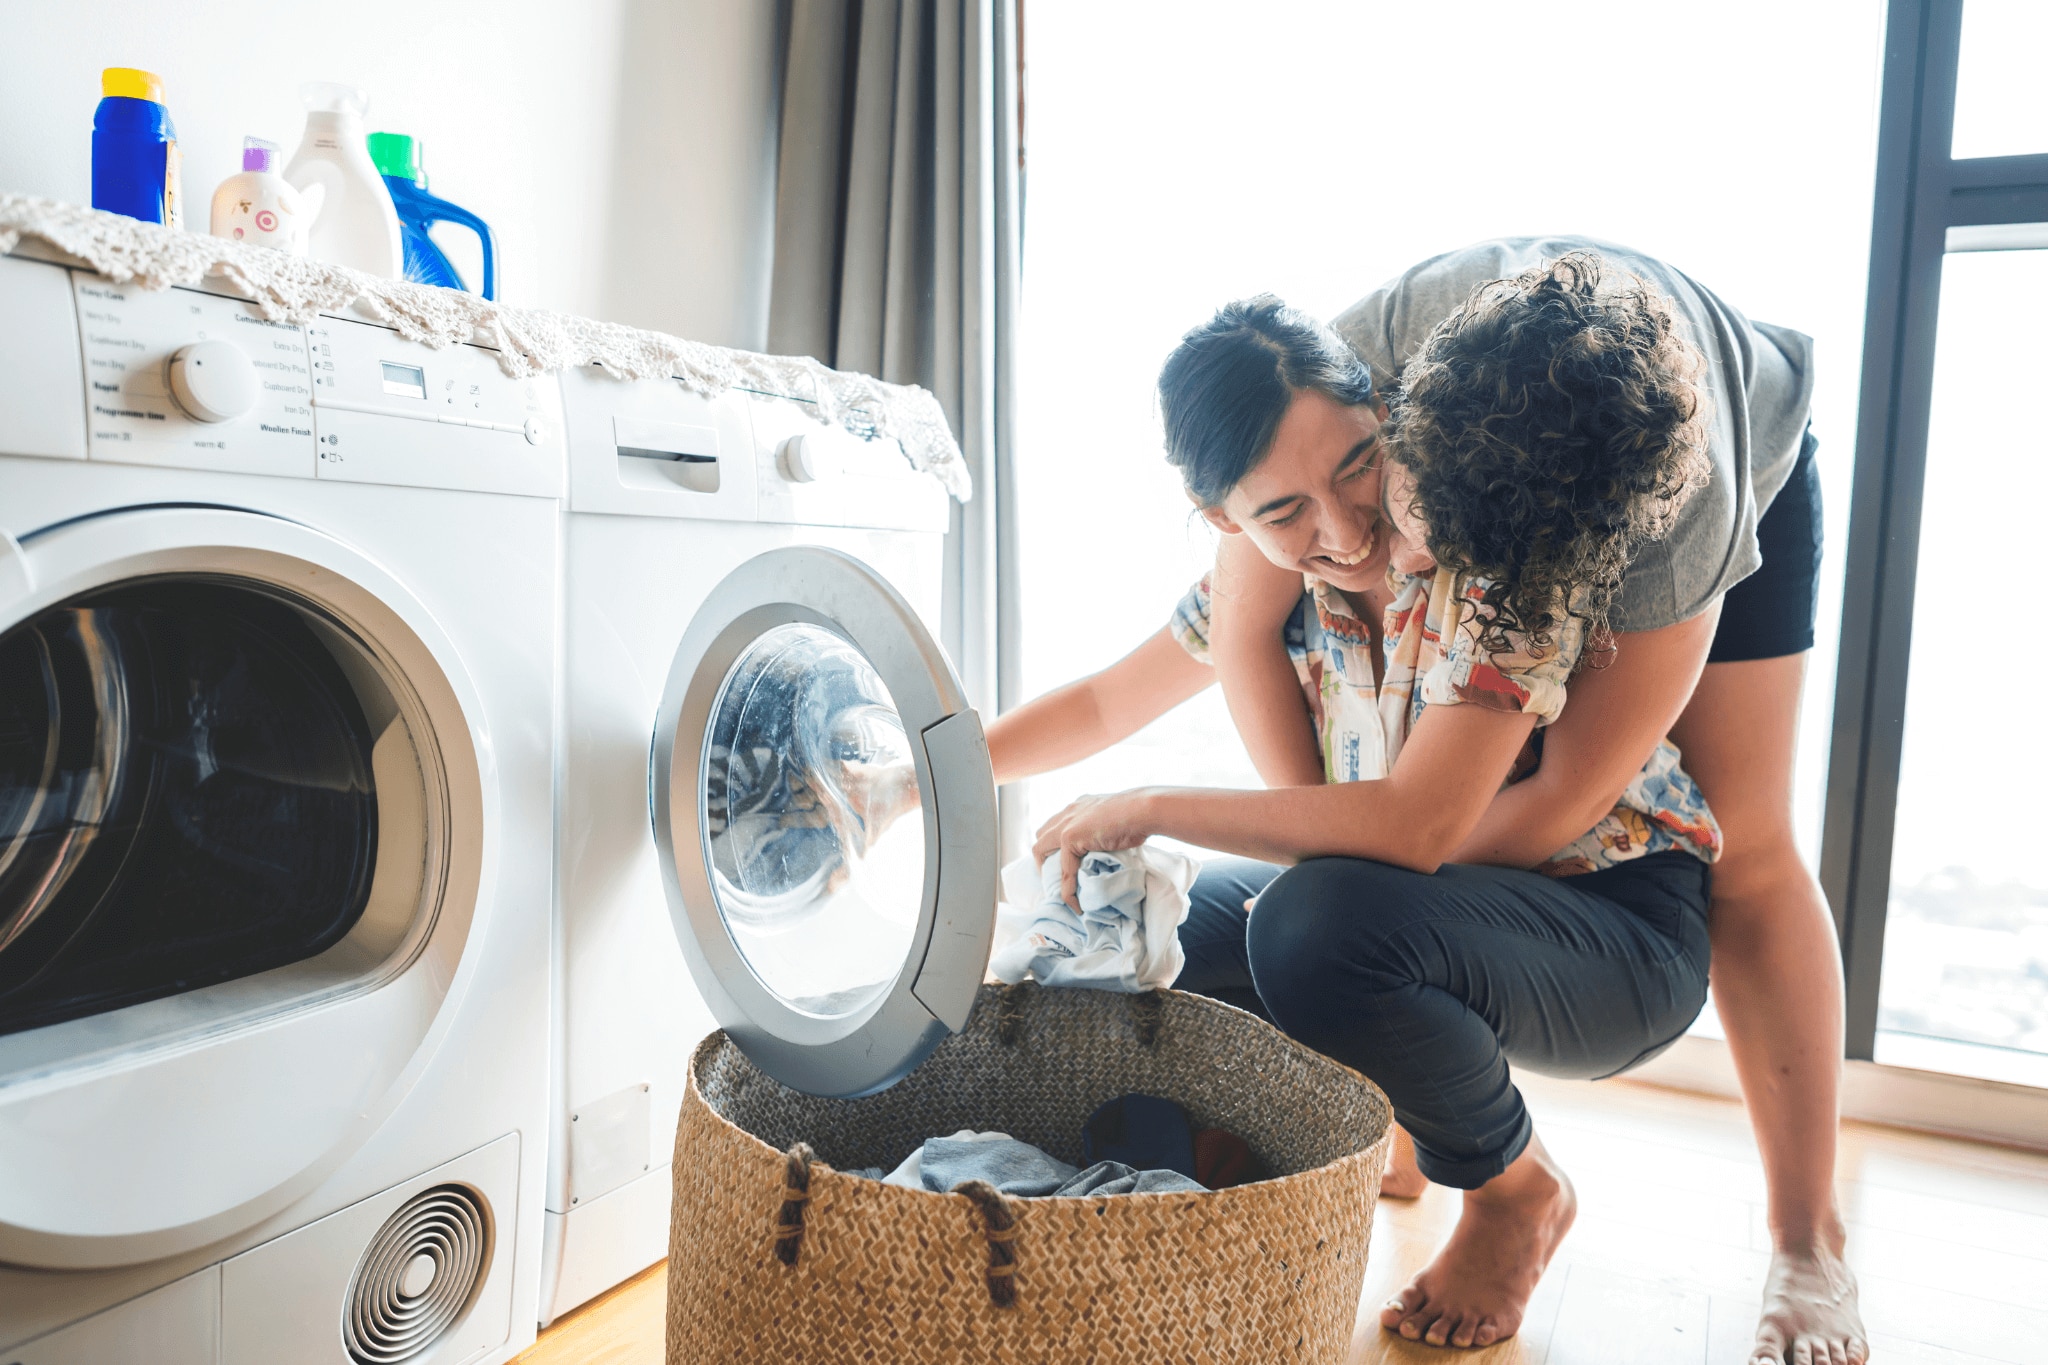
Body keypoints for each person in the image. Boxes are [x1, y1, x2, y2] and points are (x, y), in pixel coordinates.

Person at [988, 244, 1864, 1364]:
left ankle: (1779, 1236)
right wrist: (918, 778)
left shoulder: (1542, 552)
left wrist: (1323, 866)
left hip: (1619, 895)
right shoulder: (1313, 421)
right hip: (1443, 840)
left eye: (1363, 477)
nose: (1357, 539)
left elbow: (1485, 818)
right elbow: (1135, 685)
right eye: (1287, 512)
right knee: (1201, 928)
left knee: (1746, 848)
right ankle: (1375, 1105)